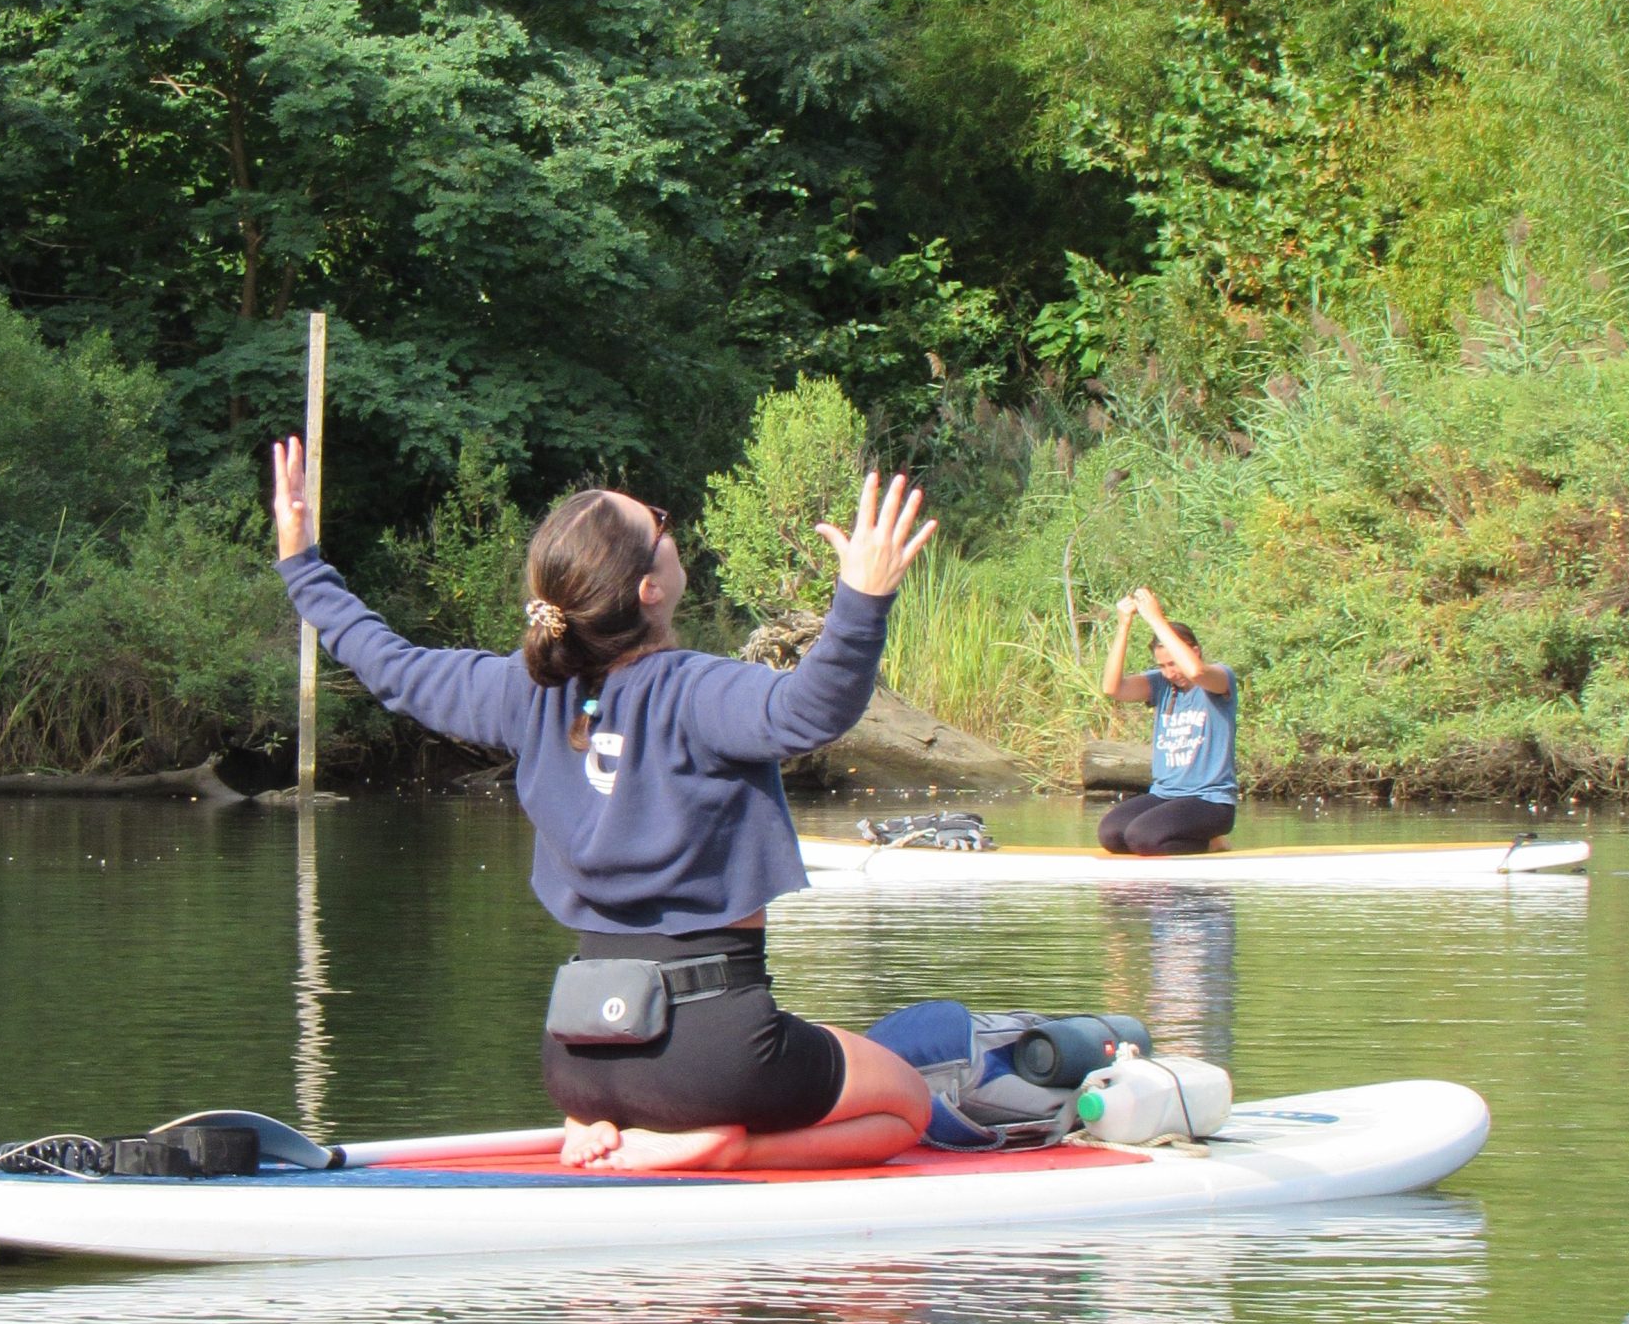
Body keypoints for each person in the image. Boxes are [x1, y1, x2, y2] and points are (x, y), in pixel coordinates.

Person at [272, 437, 938, 1174]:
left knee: (821, 1059)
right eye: (660, 523)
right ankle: (718, 1146)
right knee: (907, 1105)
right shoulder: (697, 692)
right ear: (648, 589)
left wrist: (304, 564)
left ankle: (647, 1128)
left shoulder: (522, 693)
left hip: (580, 1056)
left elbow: (387, 663)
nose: (669, 525)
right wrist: (864, 596)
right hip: (713, 1054)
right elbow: (813, 709)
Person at [1096, 586, 1238, 855]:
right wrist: (1124, 625)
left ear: (1195, 651)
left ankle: (1212, 843)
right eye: (1162, 666)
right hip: (1165, 795)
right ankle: (1190, 845)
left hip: (1210, 801)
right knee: (1111, 834)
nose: (1170, 673)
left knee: (1142, 837)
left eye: (1173, 663)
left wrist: (1155, 619)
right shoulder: (1161, 685)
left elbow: (1195, 672)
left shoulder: (1219, 678)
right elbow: (1112, 688)